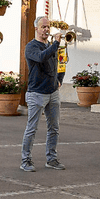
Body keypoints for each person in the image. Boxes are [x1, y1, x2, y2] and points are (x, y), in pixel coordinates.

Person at [21, 16, 65, 171]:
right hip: (37, 93)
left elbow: (60, 63)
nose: (46, 29)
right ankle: (25, 160)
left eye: (48, 27)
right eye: (43, 27)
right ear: (36, 29)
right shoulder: (31, 47)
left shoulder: (52, 46)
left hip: (53, 92)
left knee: (54, 127)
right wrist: (56, 44)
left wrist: (59, 79)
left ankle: (51, 159)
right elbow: (41, 57)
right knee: (32, 128)